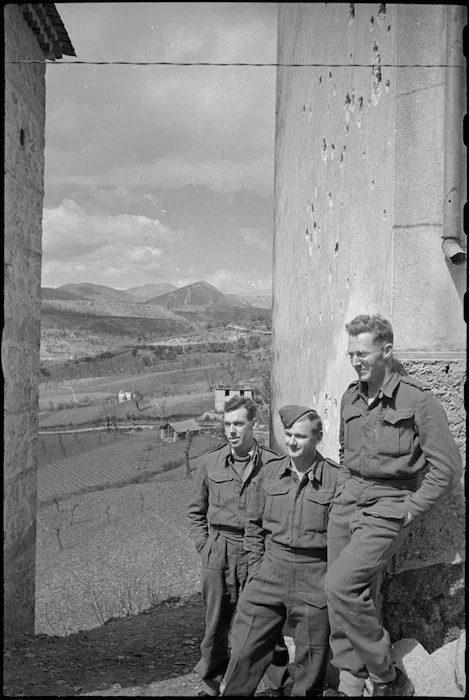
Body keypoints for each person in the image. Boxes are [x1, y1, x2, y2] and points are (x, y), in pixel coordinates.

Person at [323, 314, 462, 697]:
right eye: (351, 353)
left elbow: (448, 468)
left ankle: (387, 677)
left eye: (363, 353)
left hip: (388, 506)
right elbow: (345, 451)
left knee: (340, 586)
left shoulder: (419, 400)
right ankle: (351, 679)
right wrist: (340, 496)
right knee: (342, 596)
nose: (356, 361)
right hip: (346, 500)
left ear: (386, 351)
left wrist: (412, 508)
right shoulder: (351, 396)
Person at [221, 405, 340, 697]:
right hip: (269, 570)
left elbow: (344, 538)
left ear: (318, 437)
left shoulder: (337, 480)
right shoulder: (271, 472)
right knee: (244, 647)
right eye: (288, 435)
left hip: (314, 575)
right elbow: (253, 524)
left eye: (300, 436)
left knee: (310, 659)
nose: (292, 442)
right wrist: (258, 566)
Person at [188, 395, 291, 697]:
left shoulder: (273, 464)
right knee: (216, 621)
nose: (232, 430)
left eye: (239, 424)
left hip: (258, 550)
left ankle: (277, 683)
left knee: (266, 619)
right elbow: (196, 511)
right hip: (219, 550)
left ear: (253, 425)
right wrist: (204, 546)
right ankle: (211, 680)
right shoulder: (210, 462)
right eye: (227, 424)